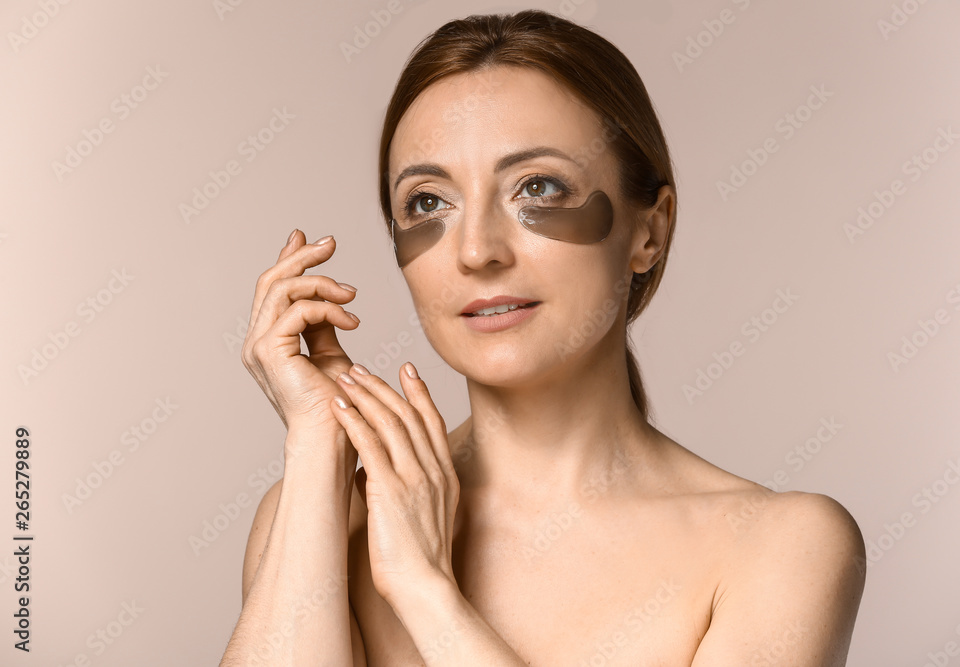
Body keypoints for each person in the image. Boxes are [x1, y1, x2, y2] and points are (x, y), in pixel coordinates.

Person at [221, 9, 865, 666]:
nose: (476, 250)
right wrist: (317, 456)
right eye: (427, 201)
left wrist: (426, 593)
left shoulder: (782, 546)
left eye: (537, 187)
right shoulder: (319, 515)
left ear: (650, 230)